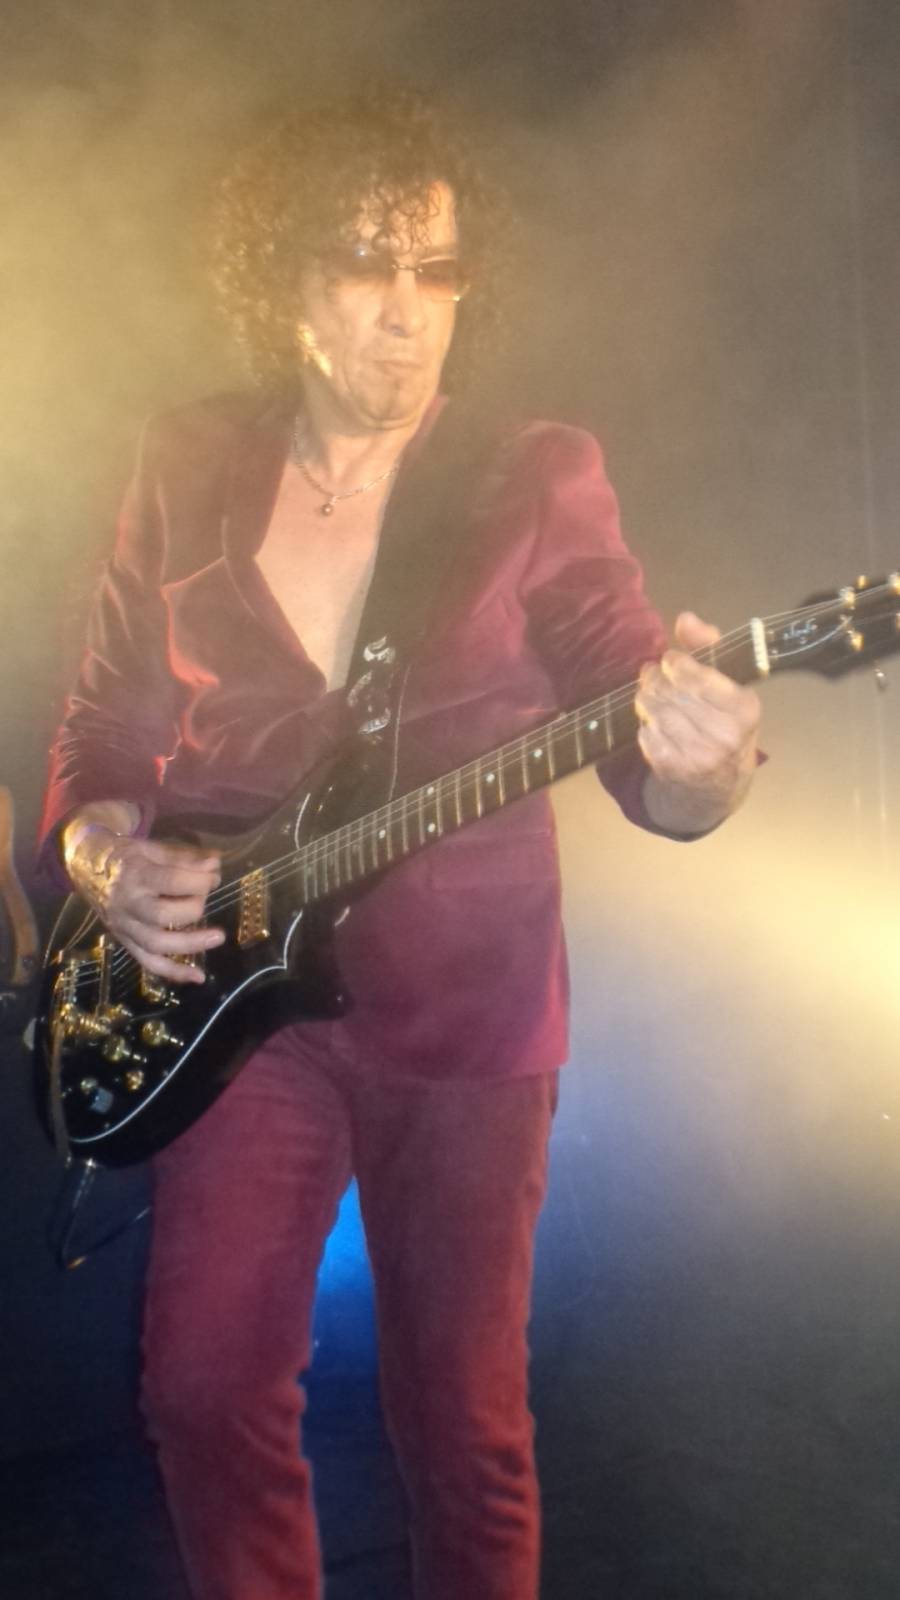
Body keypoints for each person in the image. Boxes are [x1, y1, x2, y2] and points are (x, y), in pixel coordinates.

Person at [39, 86, 761, 1600]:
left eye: (438, 269)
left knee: (463, 1427)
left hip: (468, 1013)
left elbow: (632, 709)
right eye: (367, 265)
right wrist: (103, 858)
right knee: (204, 1391)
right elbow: (104, 720)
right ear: (283, 280)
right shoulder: (185, 459)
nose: (407, 309)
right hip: (234, 998)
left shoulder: (530, 469)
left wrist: (704, 765)